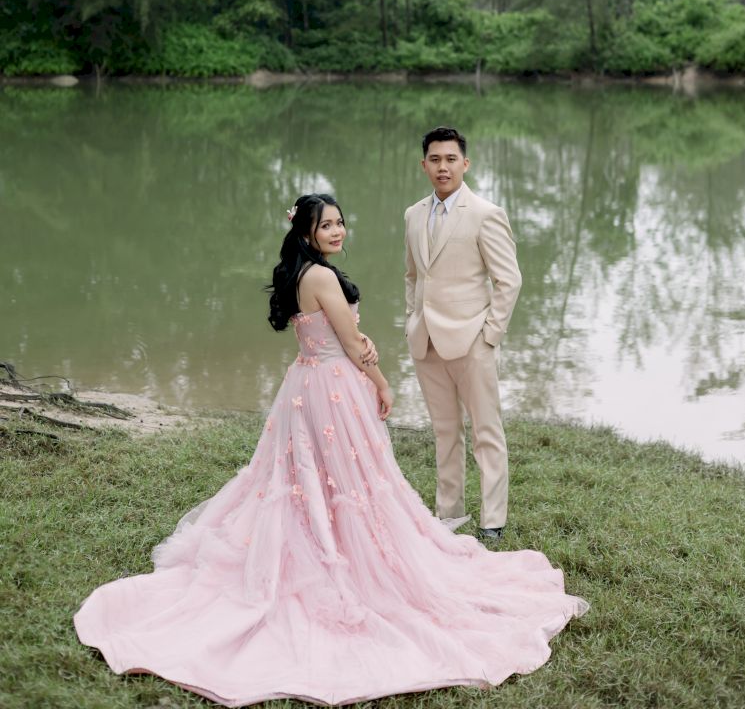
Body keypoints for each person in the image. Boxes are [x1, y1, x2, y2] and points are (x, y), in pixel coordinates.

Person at [75, 192, 586, 707]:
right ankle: (342, 558)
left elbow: (333, 336)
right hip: (333, 386)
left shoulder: (299, 273)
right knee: (347, 481)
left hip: (306, 383)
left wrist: (360, 346)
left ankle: (328, 538)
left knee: (310, 480)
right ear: (306, 232)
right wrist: (381, 381)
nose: (338, 231)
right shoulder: (320, 277)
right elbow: (350, 341)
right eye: (327, 226)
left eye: (341, 223)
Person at [405, 126, 521, 540]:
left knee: (486, 431)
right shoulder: (413, 215)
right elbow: (412, 276)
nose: (443, 167)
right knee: (444, 431)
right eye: (435, 159)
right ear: (424, 165)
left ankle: (493, 521)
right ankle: (449, 513)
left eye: (451, 159)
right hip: (426, 340)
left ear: (465, 164)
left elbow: (509, 280)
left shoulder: (486, 214)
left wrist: (490, 335)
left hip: (473, 340)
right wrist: (412, 318)